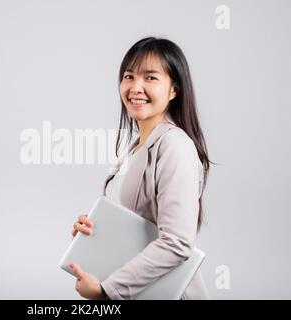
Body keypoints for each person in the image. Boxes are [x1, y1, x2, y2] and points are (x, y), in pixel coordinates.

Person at [68, 36, 212, 300]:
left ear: (174, 90)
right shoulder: (135, 149)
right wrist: (92, 236)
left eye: (150, 78)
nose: (136, 87)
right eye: (129, 76)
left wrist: (107, 291)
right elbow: (135, 230)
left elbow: (177, 243)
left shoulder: (174, 146)